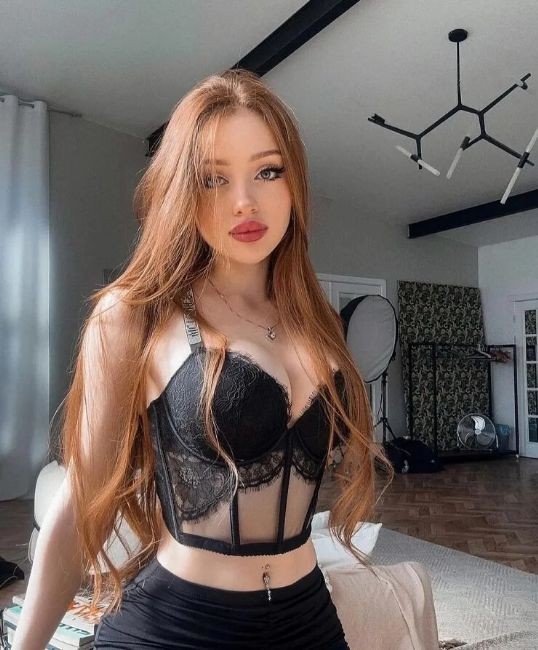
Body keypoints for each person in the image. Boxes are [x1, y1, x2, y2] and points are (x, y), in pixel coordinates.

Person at [12, 68, 393, 649]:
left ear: (294, 182)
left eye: (268, 171)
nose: (244, 201)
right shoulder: (136, 316)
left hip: (307, 618)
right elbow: (78, 505)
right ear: (182, 193)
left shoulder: (316, 320)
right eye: (213, 179)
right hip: (177, 626)